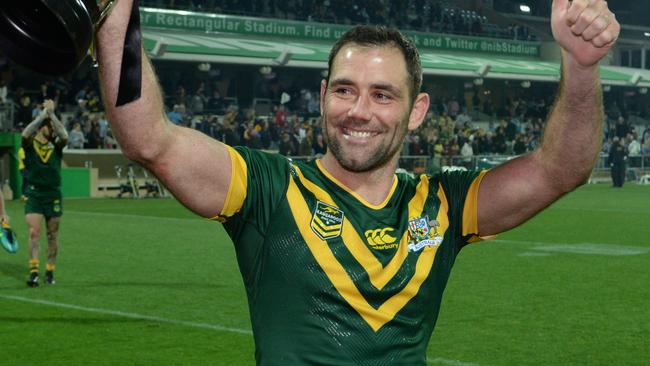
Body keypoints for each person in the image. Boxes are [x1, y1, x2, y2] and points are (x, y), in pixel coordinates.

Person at [96, 0, 619, 364]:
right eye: (344, 90)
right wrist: (116, 10)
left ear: (417, 112)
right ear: (323, 94)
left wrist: (579, 65)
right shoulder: (267, 189)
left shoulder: (445, 203)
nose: (358, 111)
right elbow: (150, 140)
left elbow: (561, 169)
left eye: (382, 95)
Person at [21, 99, 68, 287]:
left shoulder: (56, 145)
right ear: (41, 128)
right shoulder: (30, 143)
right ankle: (33, 272)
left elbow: (64, 135)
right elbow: (25, 133)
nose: (52, 129)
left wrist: (52, 114)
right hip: (34, 193)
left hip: (53, 194)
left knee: (52, 234)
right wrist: (43, 115)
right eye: (49, 126)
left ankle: (49, 271)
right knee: (34, 232)